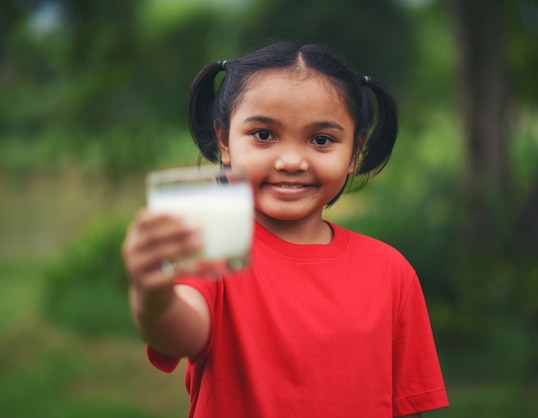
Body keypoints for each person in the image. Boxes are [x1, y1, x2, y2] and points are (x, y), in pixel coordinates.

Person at [122, 41, 448, 418]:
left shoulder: (392, 271)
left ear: (354, 153)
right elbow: (181, 333)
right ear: (225, 141)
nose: (291, 161)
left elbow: (408, 406)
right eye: (263, 134)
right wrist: (153, 294)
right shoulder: (213, 244)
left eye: (321, 140)